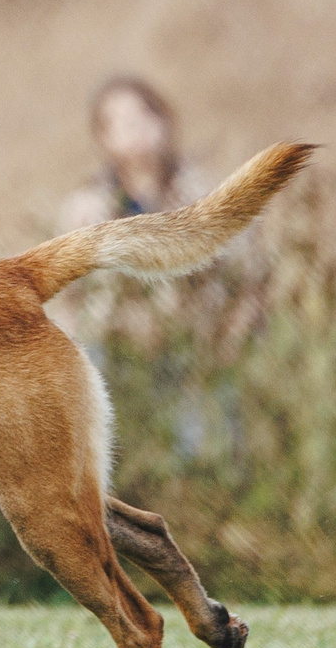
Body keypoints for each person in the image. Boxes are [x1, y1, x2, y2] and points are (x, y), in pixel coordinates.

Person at [53, 77, 262, 462]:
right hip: (118, 358)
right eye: (119, 120)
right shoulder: (87, 208)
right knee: (122, 462)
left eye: (144, 113)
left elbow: (249, 275)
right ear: (103, 137)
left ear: (165, 119)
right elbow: (68, 298)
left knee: (207, 454)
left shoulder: (208, 194)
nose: (135, 127)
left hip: (198, 351)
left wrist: (233, 336)